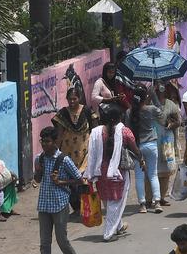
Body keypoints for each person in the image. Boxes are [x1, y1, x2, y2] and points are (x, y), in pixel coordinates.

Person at [33, 126, 86, 254]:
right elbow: (38, 179)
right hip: (44, 205)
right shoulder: (40, 158)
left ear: (55, 141)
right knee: (44, 244)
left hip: (60, 204)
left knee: (62, 241)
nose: (44, 145)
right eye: (43, 141)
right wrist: (38, 171)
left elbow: (79, 180)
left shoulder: (63, 160)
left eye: (48, 142)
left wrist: (61, 182)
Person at [88, 105, 142, 242]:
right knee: (116, 202)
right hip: (118, 173)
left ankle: (118, 226)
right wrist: (141, 159)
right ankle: (108, 233)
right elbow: (135, 149)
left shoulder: (97, 132)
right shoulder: (124, 131)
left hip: (100, 171)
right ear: (120, 118)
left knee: (107, 200)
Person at [52, 85, 93, 211]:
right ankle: (76, 207)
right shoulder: (63, 114)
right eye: (70, 99)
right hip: (67, 153)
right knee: (69, 181)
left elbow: (94, 130)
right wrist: (55, 152)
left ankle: (85, 207)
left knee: (84, 180)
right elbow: (58, 135)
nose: (72, 102)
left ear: (79, 98)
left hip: (85, 153)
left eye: (74, 99)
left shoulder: (87, 111)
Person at [132, 85, 164, 214]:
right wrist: (154, 96)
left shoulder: (130, 112)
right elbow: (161, 111)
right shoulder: (151, 109)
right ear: (145, 97)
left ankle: (142, 204)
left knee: (139, 177)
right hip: (151, 144)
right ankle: (157, 202)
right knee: (153, 174)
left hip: (137, 147)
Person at [158, 81, 183, 205]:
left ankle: (162, 197)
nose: (160, 89)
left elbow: (179, 121)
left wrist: (171, 124)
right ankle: (151, 198)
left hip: (167, 140)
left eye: (161, 87)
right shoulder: (150, 104)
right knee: (152, 172)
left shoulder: (171, 105)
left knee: (166, 170)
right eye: (157, 87)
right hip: (153, 141)